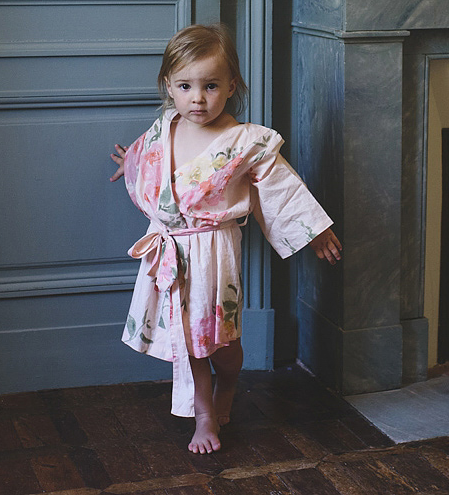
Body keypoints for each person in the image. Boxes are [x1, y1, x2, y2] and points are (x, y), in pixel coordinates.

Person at [109, 23, 341, 454]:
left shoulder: (244, 142)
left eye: (211, 85)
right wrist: (134, 163)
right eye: (185, 85)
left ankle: (228, 386)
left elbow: (278, 187)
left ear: (231, 86)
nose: (198, 97)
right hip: (171, 251)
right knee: (190, 337)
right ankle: (204, 414)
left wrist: (314, 228)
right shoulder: (165, 127)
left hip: (214, 252)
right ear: (169, 86)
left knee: (223, 343)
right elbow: (150, 159)